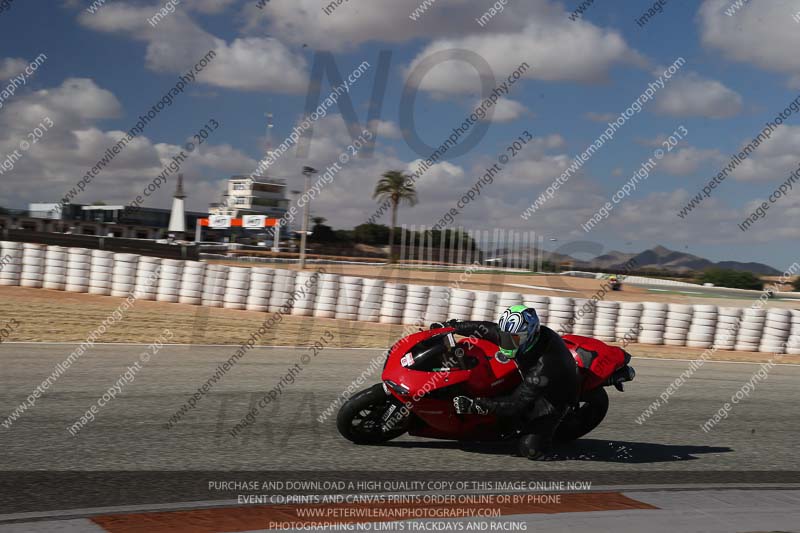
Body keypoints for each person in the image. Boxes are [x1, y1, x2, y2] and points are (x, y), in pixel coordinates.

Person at [442, 305, 579, 460]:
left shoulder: (544, 365)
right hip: (529, 377)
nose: (507, 343)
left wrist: (477, 405)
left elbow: (516, 403)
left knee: (530, 449)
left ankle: (549, 436)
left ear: (529, 335)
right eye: (505, 336)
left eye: (513, 339)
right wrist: (452, 326)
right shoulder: (518, 335)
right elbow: (486, 329)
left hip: (553, 395)